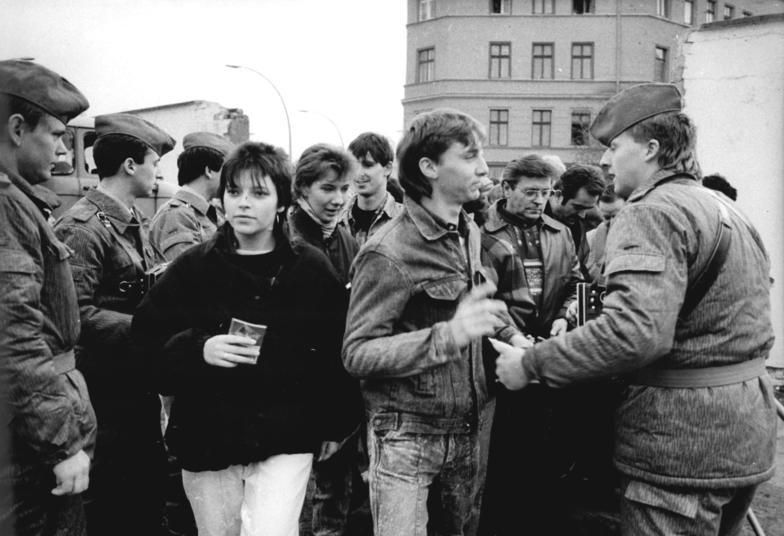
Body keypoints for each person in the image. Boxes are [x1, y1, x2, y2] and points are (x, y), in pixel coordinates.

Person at [495, 83, 777, 536]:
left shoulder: (651, 212)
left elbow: (634, 332)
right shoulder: (721, 206)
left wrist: (530, 363)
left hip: (680, 444)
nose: (605, 161)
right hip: (742, 433)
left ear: (651, 149)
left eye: (614, 146)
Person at [132, 141, 357, 536]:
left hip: (286, 436)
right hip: (209, 439)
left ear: (282, 203)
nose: (243, 204)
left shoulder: (310, 269)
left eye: (258, 193)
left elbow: (335, 350)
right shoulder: (193, 267)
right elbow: (145, 338)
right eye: (234, 192)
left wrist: (334, 425)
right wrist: (198, 348)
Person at [342, 109, 529, 536]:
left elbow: (474, 306)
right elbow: (357, 353)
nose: (484, 167)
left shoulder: (468, 231)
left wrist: (514, 337)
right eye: (470, 156)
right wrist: (449, 336)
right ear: (428, 167)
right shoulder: (387, 252)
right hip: (407, 437)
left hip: (468, 429)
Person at [53, 113, 175, 536]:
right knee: (113, 501)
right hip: (103, 390)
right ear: (129, 165)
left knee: (142, 489)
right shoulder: (83, 228)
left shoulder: (125, 219)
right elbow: (75, 315)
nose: (157, 172)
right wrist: (146, 325)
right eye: (153, 161)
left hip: (129, 380)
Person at [0, 59, 97, 536]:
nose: (62, 151)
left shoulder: (16, 200)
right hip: (28, 449)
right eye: (56, 134)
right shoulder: (4, 206)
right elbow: (14, 338)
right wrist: (63, 445)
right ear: (18, 128)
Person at [478, 154, 587, 535]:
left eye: (546, 193)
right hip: (500, 357)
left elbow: (576, 283)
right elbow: (485, 299)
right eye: (530, 192)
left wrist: (565, 317)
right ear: (507, 189)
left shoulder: (560, 232)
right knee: (502, 454)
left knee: (544, 451)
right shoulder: (483, 233)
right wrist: (516, 341)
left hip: (548, 354)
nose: (539, 200)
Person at [288, 143, 365, 536]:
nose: (338, 199)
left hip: (338, 396)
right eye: (327, 189)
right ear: (302, 189)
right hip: (305, 403)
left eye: (344, 188)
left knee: (335, 501)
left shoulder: (343, 237)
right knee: (306, 504)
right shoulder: (292, 244)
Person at [149, 131, 234, 262]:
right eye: (227, 171)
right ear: (209, 171)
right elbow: (189, 276)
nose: (230, 180)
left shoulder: (206, 213)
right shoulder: (177, 215)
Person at [544, 163, 605, 277]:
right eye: (578, 207)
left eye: (587, 209)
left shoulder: (578, 224)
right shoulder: (533, 221)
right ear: (558, 195)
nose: (582, 215)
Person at [344, 132, 404, 247]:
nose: (359, 173)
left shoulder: (406, 222)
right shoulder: (335, 220)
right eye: (354, 165)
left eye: (367, 165)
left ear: (387, 168)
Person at [585, 183, 625, 284]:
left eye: (616, 216)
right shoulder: (590, 239)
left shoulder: (644, 237)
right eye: (607, 217)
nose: (612, 222)